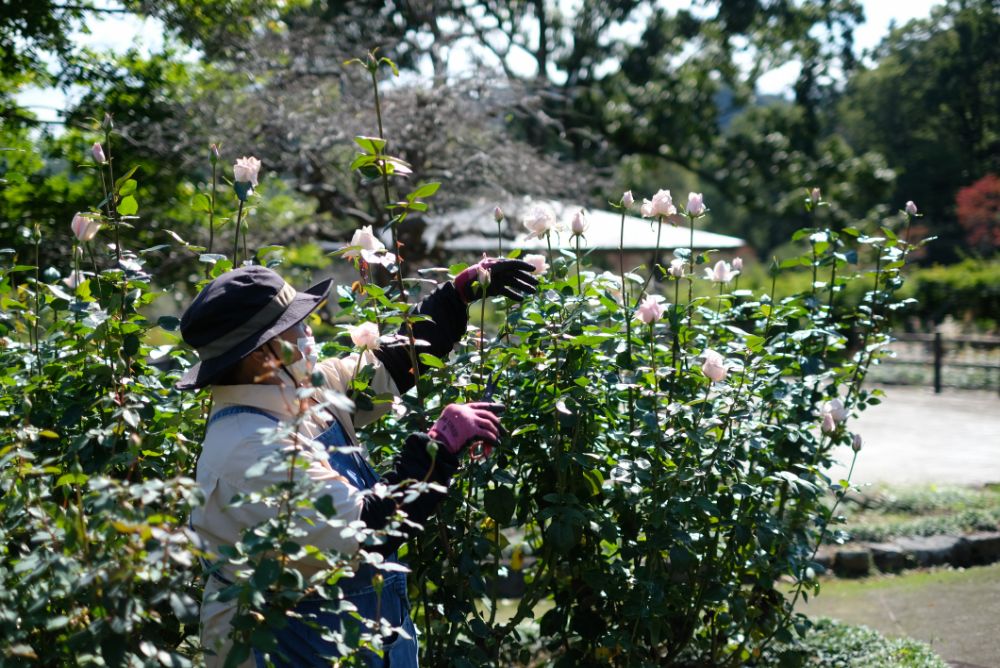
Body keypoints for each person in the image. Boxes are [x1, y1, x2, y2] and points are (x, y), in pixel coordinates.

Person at [177, 258, 537, 667]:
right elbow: (370, 527)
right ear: (265, 352)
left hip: (351, 626)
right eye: (297, 326)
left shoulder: (301, 392)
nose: (310, 332)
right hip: (286, 645)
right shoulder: (250, 448)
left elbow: (392, 364)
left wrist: (455, 296)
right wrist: (439, 446)